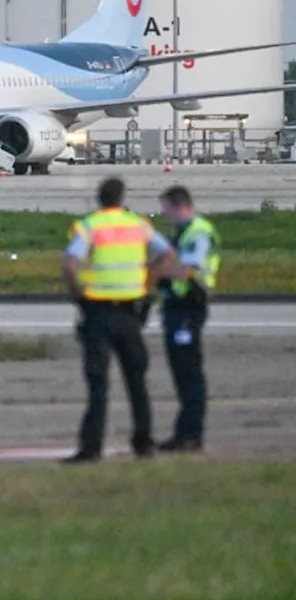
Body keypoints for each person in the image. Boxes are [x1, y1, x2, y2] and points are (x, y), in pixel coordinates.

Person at [61, 176, 177, 464]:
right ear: (122, 198)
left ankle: (91, 447)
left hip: (98, 311)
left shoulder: (90, 226)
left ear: (99, 199)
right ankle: (144, 442)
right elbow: (167, 255)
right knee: (137, 380)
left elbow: (71, 263)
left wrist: (78, 294)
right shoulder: (137, 224)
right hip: (129, 311)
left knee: (98, 383)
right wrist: (147, 281)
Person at [156, 185, 221, 453]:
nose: (166, 215)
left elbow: (186, 271)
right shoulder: (183, 234)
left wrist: (160, 269)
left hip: (189, 307)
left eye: (167, 209)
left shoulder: (199, 232)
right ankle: (185, 431)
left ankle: (191, 433)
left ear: (178, 205)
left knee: (189, 370)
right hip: (176, 308)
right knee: (181, 370)